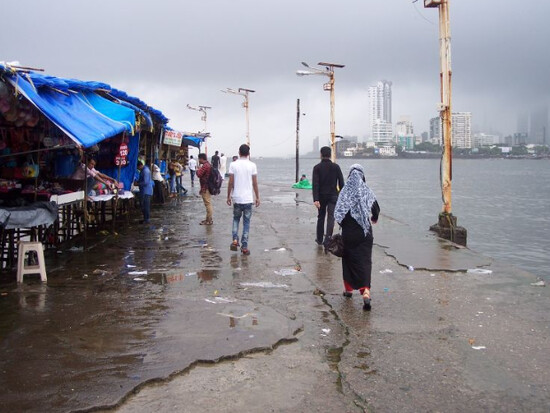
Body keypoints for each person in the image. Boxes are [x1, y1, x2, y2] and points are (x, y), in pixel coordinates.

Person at [334, 164, 380, 311]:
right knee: (364, 261)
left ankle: (348, 291)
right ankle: (365, 292)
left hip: (348, 233)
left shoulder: (344, 193)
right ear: (362, 176)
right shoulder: (366, 191)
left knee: (348, 261)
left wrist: (345, 223)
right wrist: (373, 219)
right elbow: (376, 209)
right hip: (364, 233)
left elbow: (338, 214)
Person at [226, 144, 260, 255]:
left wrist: (228, 196)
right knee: (246, 223)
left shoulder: (233, 164)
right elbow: (255, 183)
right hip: (248, 199)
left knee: (236, 219)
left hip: (237, 198)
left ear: (239, 153)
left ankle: (235, 240)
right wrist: (257, 197)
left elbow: (230, 182)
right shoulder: (252, 165)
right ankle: (244, 246)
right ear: (248, 153)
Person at [312, 146, 344, 246]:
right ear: (330, 155)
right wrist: (341, 196)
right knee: (331, 217)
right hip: (333, 195)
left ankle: (319, 239)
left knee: (321, 217)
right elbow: (341, 183)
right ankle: (328, 239)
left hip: (321, 196)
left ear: (321, 155)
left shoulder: (317, 168)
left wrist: (316, 199)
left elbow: (315, 184)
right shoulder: (336, 167)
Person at [196, 153, 213, 225]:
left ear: (201, 159)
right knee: (208, 203)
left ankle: (209, 220)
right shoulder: (208, 165)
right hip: (207, 186)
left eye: (199, 159)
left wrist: (197, 169)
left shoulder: (205, 166)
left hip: (205, 187)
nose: (198, 160)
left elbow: (199, 174)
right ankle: (208, 219)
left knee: (207, 204)